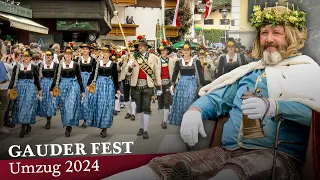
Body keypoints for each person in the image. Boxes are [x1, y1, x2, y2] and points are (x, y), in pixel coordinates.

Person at [104, 4, 320, 180]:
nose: (269, 38)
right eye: (264, 33)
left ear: (292, 36)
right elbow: (219, 98)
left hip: (276, 158)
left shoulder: (309, 72)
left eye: (277, 33)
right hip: (226, 152)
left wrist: (274, 107)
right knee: (163, 167)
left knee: (232, 173)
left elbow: (315, 115)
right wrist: (196, 110)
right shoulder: (250, 73)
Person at [127, 35, 162, 139]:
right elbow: (127, 72)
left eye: (142, 46)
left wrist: (159, 86)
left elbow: (156, 73)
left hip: (148, 85)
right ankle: (141, 127)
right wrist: (130, 67)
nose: (140, 47)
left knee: (146, 107)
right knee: (139, 108)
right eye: (139, 46)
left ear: (146, 47)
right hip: (136, 85)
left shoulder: (154, 58)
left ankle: (146, 130)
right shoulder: (133, 57)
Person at [50, 46, 85, 137]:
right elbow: (55, 78)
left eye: (69, 54)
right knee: (63, 107)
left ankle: (68, 126)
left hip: (73, 85)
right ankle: (67, 123)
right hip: (62, 86)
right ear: (64, 55)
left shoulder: (76, 64)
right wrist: (51, 88)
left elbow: (79, 78)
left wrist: (82, 91)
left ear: (72, 55)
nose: (68, 55)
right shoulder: (60, 65)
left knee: (70, 105)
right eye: (66, 54)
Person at [86, 45, 120, 138]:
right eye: (103, 52)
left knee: (107, 106)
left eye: (106, 52)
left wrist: (117, 89)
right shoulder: (97, 63)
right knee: (99, 105)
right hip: (98, 86)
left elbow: (115, 77)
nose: (104, 54)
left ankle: (105, 127)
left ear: (109, 54)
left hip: (108, 86)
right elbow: (93, 75)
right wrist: (88, 84)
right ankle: (100, 124)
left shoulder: (113, 64)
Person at [169, 41, 205, 126]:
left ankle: (191, 122)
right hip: (181, 85)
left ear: (190, 51)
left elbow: (200, 74)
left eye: (188, 49)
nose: (186, 51)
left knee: (190, 102)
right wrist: (173, 84)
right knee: (181, 103)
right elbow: (175, 73)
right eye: (184, 50)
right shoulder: (178, 62)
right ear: (181, 51)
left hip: (192, 84)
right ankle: (183, 122)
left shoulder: (196, 61)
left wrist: (202, 85)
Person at [8, 49, 42, 138]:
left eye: (27, 56)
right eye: (24, 56)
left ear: (30, 57)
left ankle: (24, 126)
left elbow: (37, 79)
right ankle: (26, 125)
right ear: (22, 57)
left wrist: (39, 89)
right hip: (20, 88)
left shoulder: (34, 67)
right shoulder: (17, 66)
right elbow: (12, 78)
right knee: (20, 106)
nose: (25, 58)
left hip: (30, 88)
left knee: (28, 106)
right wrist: (10, 88)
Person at [37, 50, 58, 129]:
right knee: (44, 102)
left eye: (49, 55)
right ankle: (47, 118)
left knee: (51, 102)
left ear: (52, 56)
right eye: (47, 55)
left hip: (52, 84)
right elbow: (37, 76)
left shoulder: (56, 65)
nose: (48, 56)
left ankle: (49, 120)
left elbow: (58, 76)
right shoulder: (41, 64)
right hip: (43, 84)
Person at [156, 40, 175, 129]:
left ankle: (164, 121)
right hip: (159, 84)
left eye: (165, 50)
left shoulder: (172, 61)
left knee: (167, 101)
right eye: (162, 51)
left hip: (168, 83)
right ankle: (162, 119)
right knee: (160, 102)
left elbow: (175, 73)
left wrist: (174, 83)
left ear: (167, 52)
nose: (163, 52)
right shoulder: (156, 61)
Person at [76, 43, 95, 128]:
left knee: (87, 100)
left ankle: (86, 119)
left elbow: (94, 72)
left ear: (89, 50)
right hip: (79, 80)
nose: (85, 50)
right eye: (83, 49)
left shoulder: (93, 60)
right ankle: (79, 117)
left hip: (89, 80)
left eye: (86, 49)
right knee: (79, 99)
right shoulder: (78, 59)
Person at [121, 42, 136, 121]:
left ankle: (133, 113)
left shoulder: (136, 58)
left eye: (132, 50)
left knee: (133, 96)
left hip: (133, 79)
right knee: (126, 96)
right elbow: (119, 68)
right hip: (125, 79)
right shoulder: (124, 57)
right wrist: (121, 62)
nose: (131, 51)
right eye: (129, 49)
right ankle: (129, 112)